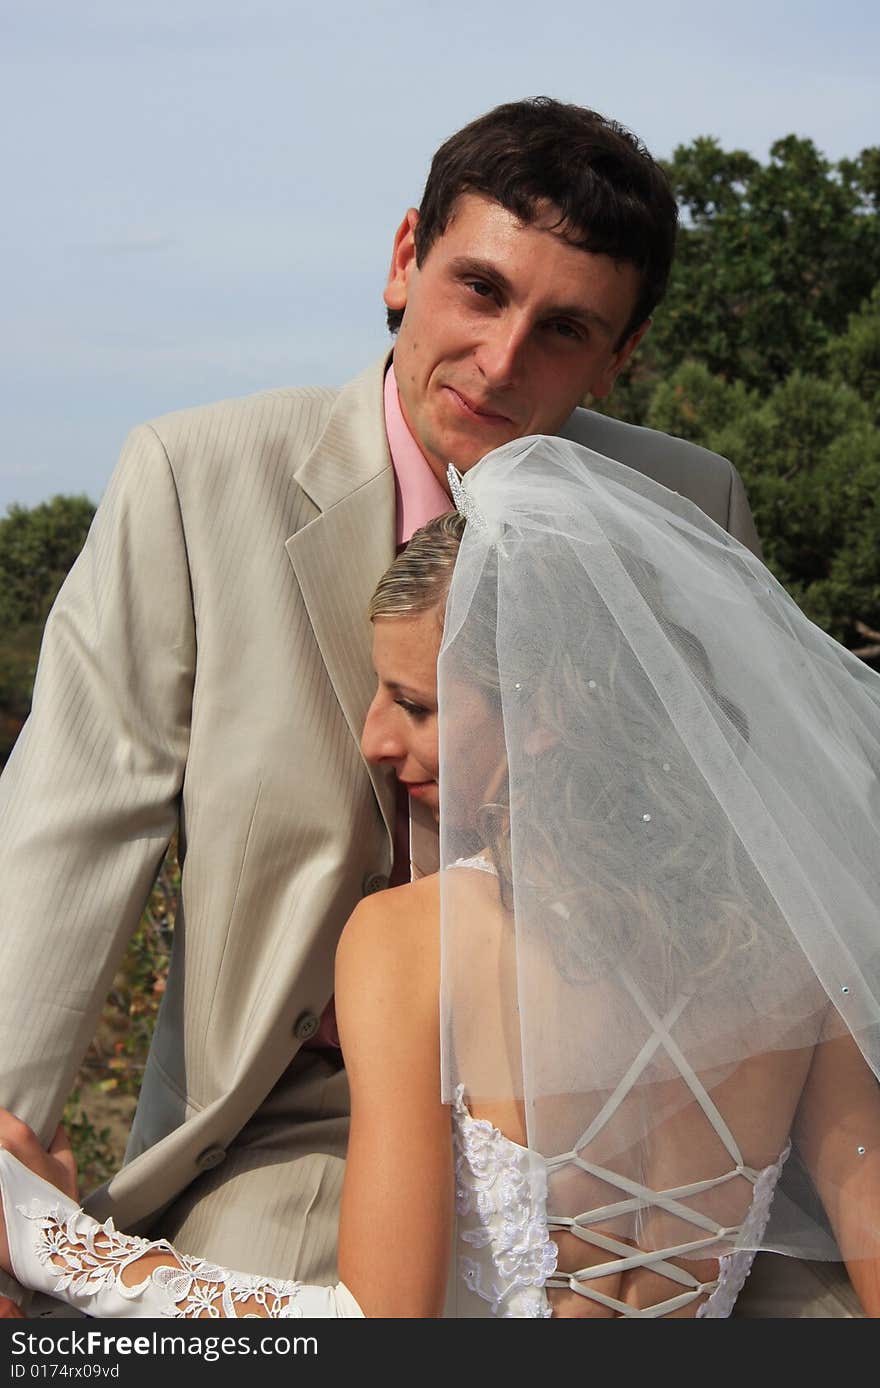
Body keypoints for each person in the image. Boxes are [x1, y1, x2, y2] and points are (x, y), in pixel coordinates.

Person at [0, 95, 776, 1318]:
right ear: (405, 256)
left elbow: (745, 836)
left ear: (621, 354)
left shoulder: (687, 503)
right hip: (298, 1116)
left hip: (619, 1105)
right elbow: (71, 823)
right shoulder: (195, 478)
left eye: (565, 327)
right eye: (478, 289)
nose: (502, 359)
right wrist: (4, 1131)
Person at [2, 436, 880, 1318]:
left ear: (549, 713)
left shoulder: (411, 941)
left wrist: (65, 1247)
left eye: (416, 704)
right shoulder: (799, 936)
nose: (375, 739)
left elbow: (385, 1333)